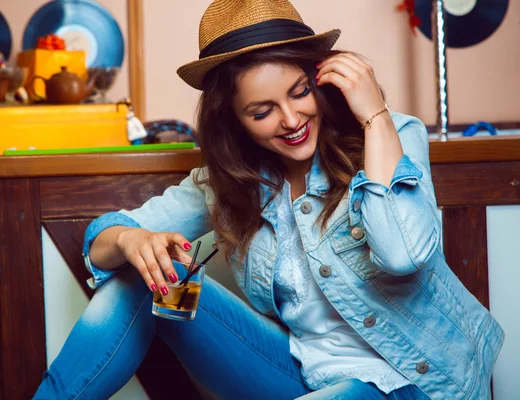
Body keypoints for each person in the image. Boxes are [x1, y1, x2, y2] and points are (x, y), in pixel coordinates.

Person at [34, 1, 503, 399]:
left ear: (320, 81)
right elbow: (101, 237)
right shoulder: (233, 182)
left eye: (300, 93)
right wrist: (131, 240)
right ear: (234, 121)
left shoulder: (391, 136)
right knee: (147, 279)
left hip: (410, 381)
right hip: (301, 375)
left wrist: (374, 111)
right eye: (262, 112)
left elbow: (402, 255)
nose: (291, 119)